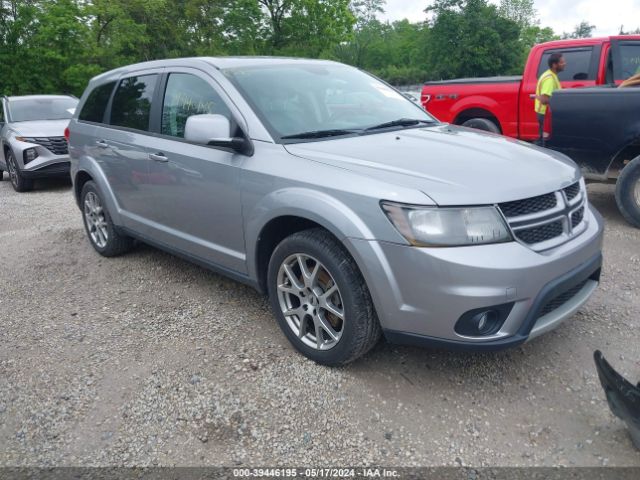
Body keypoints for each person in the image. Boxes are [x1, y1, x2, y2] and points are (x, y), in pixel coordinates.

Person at [535, 53, 566, 146]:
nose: (565, 63)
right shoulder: (549, 79)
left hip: (545, 113)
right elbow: (544, 100)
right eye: (562, 62)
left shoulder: (551, 75)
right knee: (545, 143)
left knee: (543, 140)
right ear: (554, 65)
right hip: (545, 114)